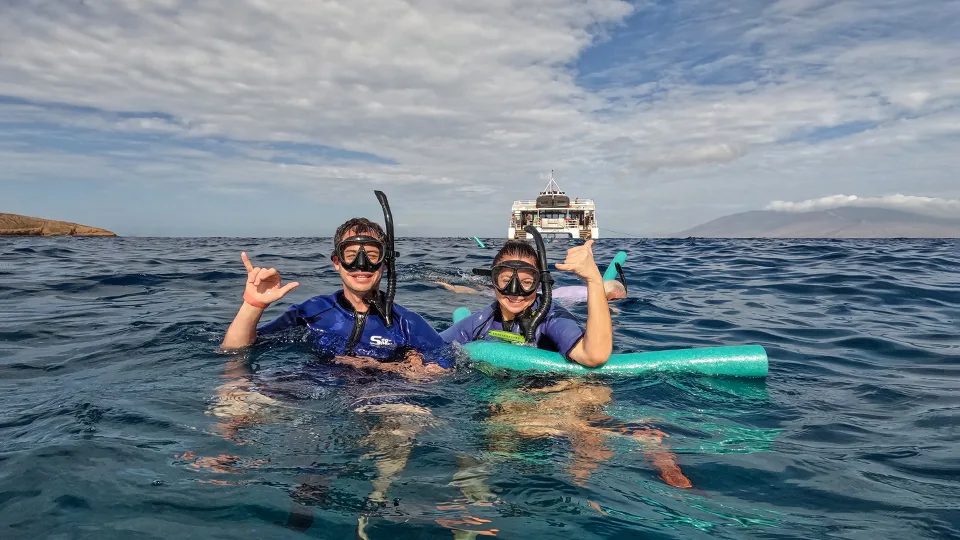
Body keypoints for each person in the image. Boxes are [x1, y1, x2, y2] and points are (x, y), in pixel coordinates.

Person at [217, 190, 453, 538]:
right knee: (232, 395)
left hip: (379, 397)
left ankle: (375, 502)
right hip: (311, 387)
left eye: (371, 256)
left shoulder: (407, 323)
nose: (361, 265)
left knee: (406, 424)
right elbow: (235, 351)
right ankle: (227, 460)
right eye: (351, 255)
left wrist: (401, 370)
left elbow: (445, 368)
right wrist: (253, 305)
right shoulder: (314, 311)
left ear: (385, 264)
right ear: (336, 262)